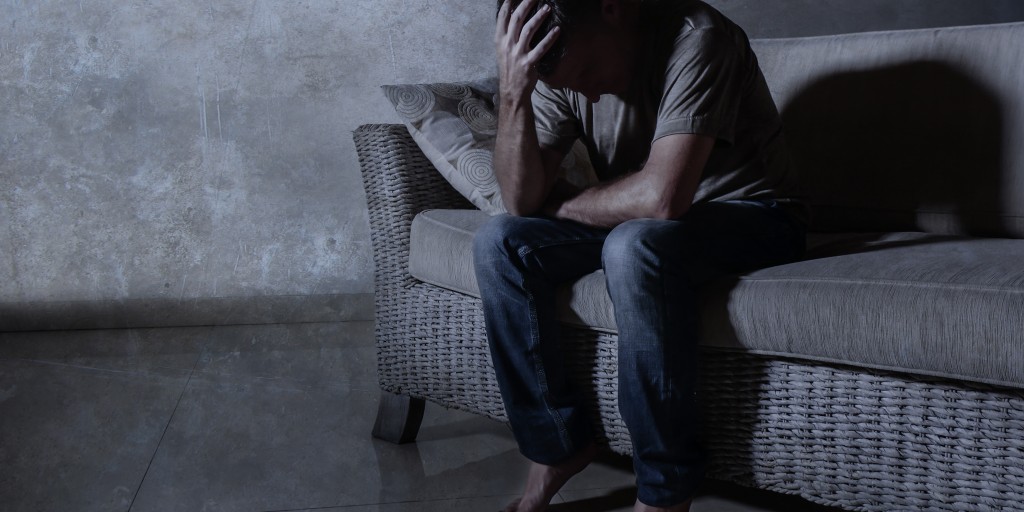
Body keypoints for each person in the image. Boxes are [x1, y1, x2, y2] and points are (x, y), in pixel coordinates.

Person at [472, 0, 808, 510]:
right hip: (651, 223)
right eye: (564, 85)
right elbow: (520, 199)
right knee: (500, 243)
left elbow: (661, 199)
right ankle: (557, 445)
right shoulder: (557, 65)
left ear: (612, 8)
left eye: (584, 73)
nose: (582, 92)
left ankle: (664, 491)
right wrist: (514, 91)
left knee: (632, 246)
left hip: (757, 215)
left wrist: (559, 199)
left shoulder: (699, 38)